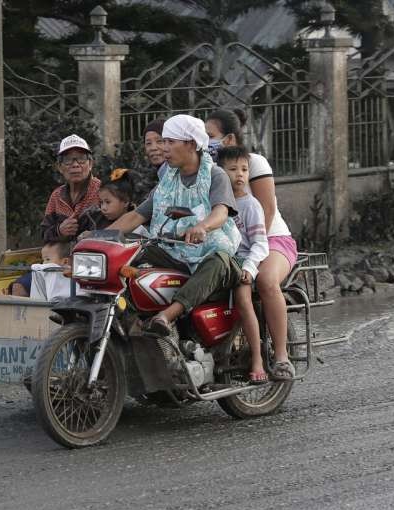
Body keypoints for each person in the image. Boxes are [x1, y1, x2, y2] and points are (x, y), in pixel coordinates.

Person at [106, 114, 242, 335]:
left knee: (219, 262)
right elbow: (136, 216)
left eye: (169, 142)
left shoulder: (215, 175)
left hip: (211, 252)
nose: (163, 149)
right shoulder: (167, 181)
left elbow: (221, 212)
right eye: (162, 142)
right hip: (172, 249)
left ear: (190, 144)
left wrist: (203, 227)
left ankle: (166, 316)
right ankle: (128, 315)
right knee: (130, 247)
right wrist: (99, 236)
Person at [206, 108, 298, 380]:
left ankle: (281, 357)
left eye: (210, 136)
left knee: (266, 280)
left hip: (268, 239)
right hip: (231, 246)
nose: (206, 141)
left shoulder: (253, 162)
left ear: (229, 138)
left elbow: (266, 212)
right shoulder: (209, 168)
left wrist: (251, 259)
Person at [216, 145, 275, 383]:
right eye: (232, 169)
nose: (239, 174)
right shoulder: (214, 201)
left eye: (244, 169)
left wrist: (249, 269)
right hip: (219, 259)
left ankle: (257, 358)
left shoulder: (251, 205)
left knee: (242, 299)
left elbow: (260, 244)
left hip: (242, 262)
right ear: (219, 173)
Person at [40, 134, 101, 244]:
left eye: (81, 159)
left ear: (91, 164)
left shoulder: (102, 191)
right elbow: (44, 233)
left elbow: (118, 229)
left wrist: (93, 235)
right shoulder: (56, 196)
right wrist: (59, 230)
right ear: (60, 167)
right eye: (68, 160)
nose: (75, 165)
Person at [81, 169, 149, 237]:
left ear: (125, 201)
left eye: (108, 202)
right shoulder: (93, 222)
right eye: (101, 202)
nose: (103, 208)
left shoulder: (138, 230)